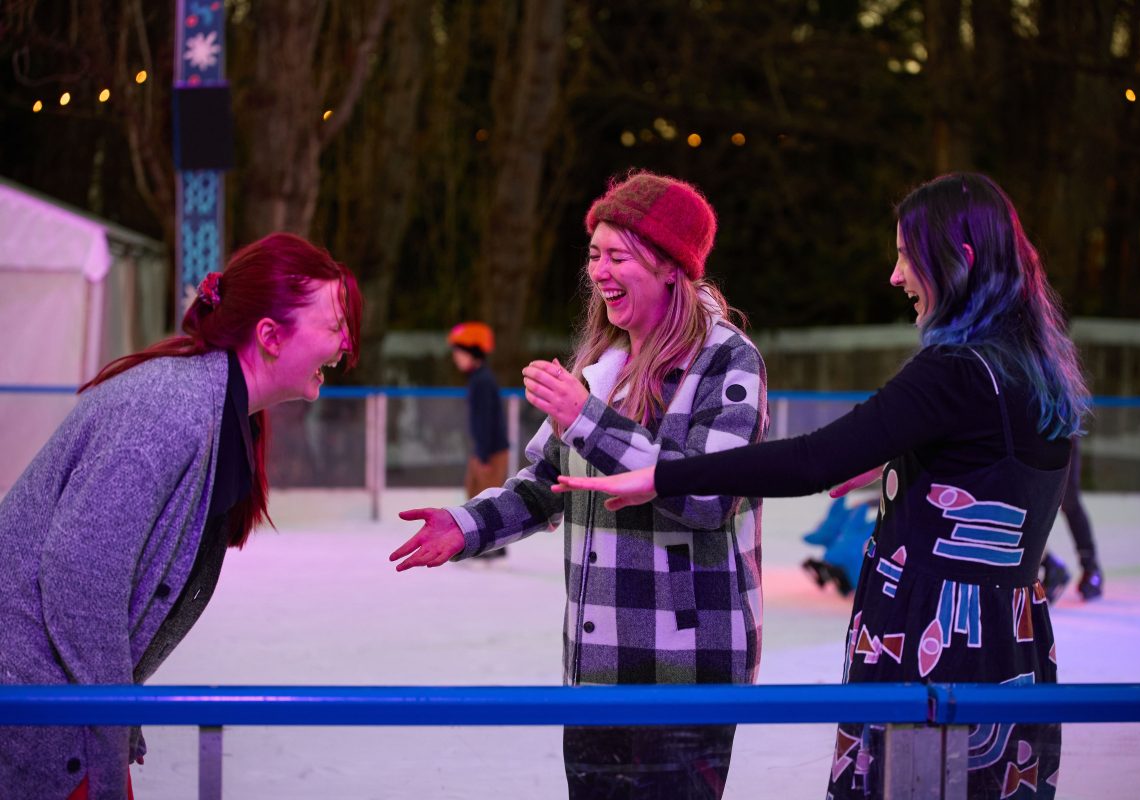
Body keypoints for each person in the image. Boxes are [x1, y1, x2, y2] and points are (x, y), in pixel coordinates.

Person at [556, 173, 1089, 799]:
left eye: (906, 256)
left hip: (931, 641)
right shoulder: (1032, 364)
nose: (896, 276)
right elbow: (996, 466)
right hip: (1008, 635)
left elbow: (812, 461)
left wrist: (665, 474)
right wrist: (905, 459)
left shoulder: (955, 370)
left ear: (961, 261)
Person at [389, 171, 769, 799]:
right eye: (595, 254)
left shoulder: (728, 361)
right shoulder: (602, 366)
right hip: (596, 669)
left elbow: (710, 495)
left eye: (618, 255)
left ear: (672, 267)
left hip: (686, 674)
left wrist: (586, 418)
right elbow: (543, 483)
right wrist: (465, 526)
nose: (600, 271)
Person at [0, 233, 361, 800]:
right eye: (335, 325)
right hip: (32, 711)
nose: (345, 345)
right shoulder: (169, 413)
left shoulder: (217, 408)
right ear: (270, 336)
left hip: (56, 711)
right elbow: (78, 581)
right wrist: (108, 735)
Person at [447, 321, 511, 560]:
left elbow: (485, 420)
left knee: (486, 497)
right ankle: (486, 542)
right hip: (485, 449)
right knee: (475, 492)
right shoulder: (478, 379)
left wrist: (483, 455)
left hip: (490, 451)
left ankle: (493, 544)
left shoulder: (482, 381)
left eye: (458, 353)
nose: (456, 358)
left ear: (472, 352)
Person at [1040, 438, 1103, 602]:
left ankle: (1090, 566)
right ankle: (1049, 563)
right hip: (1027, 425)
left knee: (1068, 499)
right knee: (1026, 500)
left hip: (1058, 424)